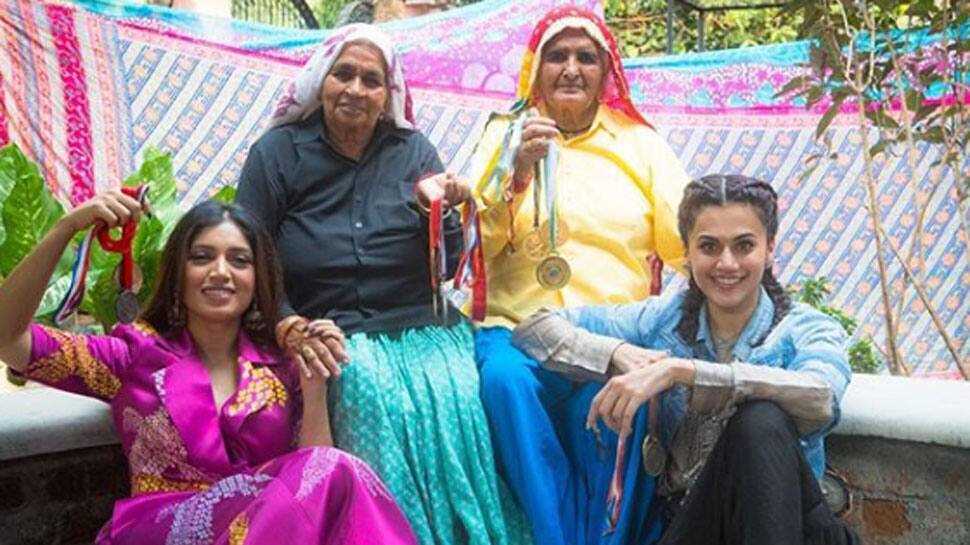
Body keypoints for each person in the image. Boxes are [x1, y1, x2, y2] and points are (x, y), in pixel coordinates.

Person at [236, 24, 529, 545]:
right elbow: (249, 252)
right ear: (321, 82)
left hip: (421, 327)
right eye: (343, 74)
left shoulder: (414, 151)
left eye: (371, 80)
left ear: (386, 94)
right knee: (366, 385)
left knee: (458, 392)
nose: (354, 88)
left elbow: (451, 264)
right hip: (329, 327)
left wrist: (437, 211)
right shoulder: (277, 153)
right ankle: (388, 534)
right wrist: (286, 322)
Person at [0, 196, 417, 545]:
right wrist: (66, 229)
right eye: (202, 257)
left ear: (257, 279)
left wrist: (313, 384)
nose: (221, 271)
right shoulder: (133, 356)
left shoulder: (280, 367)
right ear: (179, 273)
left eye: (239, 260)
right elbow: (8, 338)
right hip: (160, 531)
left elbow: (312, 476)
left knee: (335, 469)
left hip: (263, 532)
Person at [512, 174, 859, 545]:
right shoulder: (663, 321)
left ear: (769, 248)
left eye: (744, 246)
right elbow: (535, 327)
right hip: (694, 522)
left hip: (788, 525)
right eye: (709, 247)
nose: (727, 263)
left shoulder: (804, 328)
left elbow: (822, 397)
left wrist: (684, 373)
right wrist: (616, 353)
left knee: (760, 421)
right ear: (687, 252)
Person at [467, 6, 691, 544]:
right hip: (516, 331)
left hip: (611, 335)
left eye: (585, 57)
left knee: (628, 407)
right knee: (504, 384)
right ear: (536, 68)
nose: (571, 69)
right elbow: (476, 246)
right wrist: (516, 173)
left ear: (606, 72)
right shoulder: (505, 134)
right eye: (557, 56)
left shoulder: (641, 145)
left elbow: (686, 242)